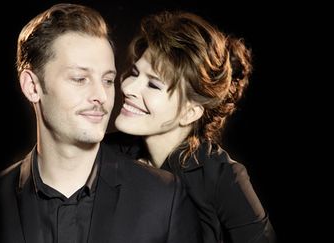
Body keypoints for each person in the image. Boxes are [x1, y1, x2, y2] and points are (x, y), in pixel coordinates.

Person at [0, 3, 202, 243]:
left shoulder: (164, 198)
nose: (102, 97)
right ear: (32, 86)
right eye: (80, 78)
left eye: (107, 80)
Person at [108, 10, 276, 243]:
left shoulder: (223, 178)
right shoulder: (105, 155)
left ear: (190, 112)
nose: (128, 87)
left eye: (154, 85)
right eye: (135, 73)